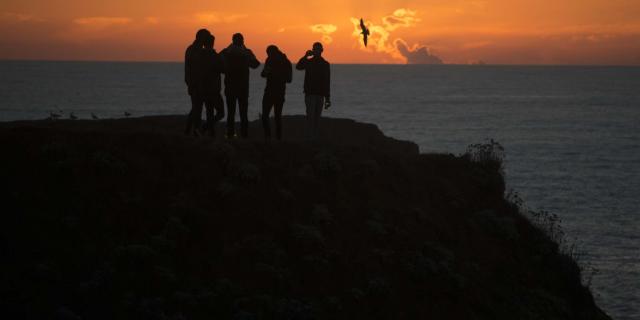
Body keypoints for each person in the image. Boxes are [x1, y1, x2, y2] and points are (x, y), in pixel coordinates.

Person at [220, 33, 260, 138]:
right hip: (243, 88)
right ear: (242, 41)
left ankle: (230, 134)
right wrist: (247, 57)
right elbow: (256, 64)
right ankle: (244, 135)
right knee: (243, 113)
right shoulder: (246, 52)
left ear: (233, 40)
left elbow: (219, 66)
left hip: (230, 87)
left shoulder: (226, 52)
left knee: (231, 113)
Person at [296, 42, 331, 140]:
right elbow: (298, 67)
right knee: (310, 117)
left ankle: (314, 137)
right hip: (310, 94)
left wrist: (327, 97)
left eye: (318, 49)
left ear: (322, 50)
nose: (317, 51)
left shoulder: (325, 64)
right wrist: (305, 56)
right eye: (315, 49)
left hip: (320, 94)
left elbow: (327, 81)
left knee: (316, 118)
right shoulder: (309, 62)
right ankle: (309, 137)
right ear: (313, 50)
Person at [261, 45, 292, 140]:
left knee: (269, 116)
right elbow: (263, 74)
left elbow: (289, 79)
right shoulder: (284, 62)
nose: (268, 55)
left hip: (274, 92)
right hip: (276, 92)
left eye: (268, 53)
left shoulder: (283, 62)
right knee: (276, 117)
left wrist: (274, 73)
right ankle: (274, 138)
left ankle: (270, 137)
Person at [184, 28, 211, 136]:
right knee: (197, 109)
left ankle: (190, 130)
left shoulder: (194, 49)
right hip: (195, 84)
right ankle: (195, 131)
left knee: (196, 107)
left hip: (196, 84)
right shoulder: (195, 50)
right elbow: (194, 68)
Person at [201, 34, 226, 137]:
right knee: (221, 113)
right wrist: (222, 57)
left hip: (204, 88)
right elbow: (223, 69)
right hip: (214, 89)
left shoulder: (201, 55)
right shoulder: (215, 56)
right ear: (212, 42)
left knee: (209, 112)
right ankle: (204, 129)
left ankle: (210, 134)